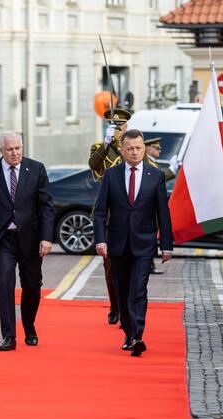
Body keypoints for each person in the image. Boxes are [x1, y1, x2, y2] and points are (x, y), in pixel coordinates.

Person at [94, 129, 174, 357]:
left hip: (144, 243)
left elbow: (162, 212)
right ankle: (129, 334)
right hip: (118, 243)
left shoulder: (154, 175)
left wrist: (166, 244)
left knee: (138, 289)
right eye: (130, 149)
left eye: (138, 148)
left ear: (143, 147)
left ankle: (138, 334)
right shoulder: (112, 175)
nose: (135, 152)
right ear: (123, 150)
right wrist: (100, 239)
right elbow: (100, 212)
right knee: (123, 289)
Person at [0, 132, 54, 351]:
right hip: (3, 239)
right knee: (5, 285)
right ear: (1, 150)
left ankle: (29, 326)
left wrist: (47, 238)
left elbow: (46, 207)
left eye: (18, 148)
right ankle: (9, 336)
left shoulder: (36, 169)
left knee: (32, 286)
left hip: (30, 238)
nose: (15, 153)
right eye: (10, 149)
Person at [89, 107, 131, 326]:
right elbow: (94, 167)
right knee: (111, 267)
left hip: (131, 210)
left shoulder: (132, 148)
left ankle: (128, 308)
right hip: (109, 214)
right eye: (113, 127)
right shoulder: (100, 148)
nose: (117, 130)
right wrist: (106, 145)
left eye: (120, 126)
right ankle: (115, 305)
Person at [143, 136, 179, 276]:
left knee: (152, 237)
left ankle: (149, 264)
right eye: (157, 148)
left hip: (153, 204)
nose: (159, 150)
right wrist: (171, 171)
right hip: (149, 206)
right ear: (149, 149)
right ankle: (148, 265)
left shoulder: (152, 162)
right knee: (150, 237)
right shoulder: (146, 161)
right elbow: (156, 178)